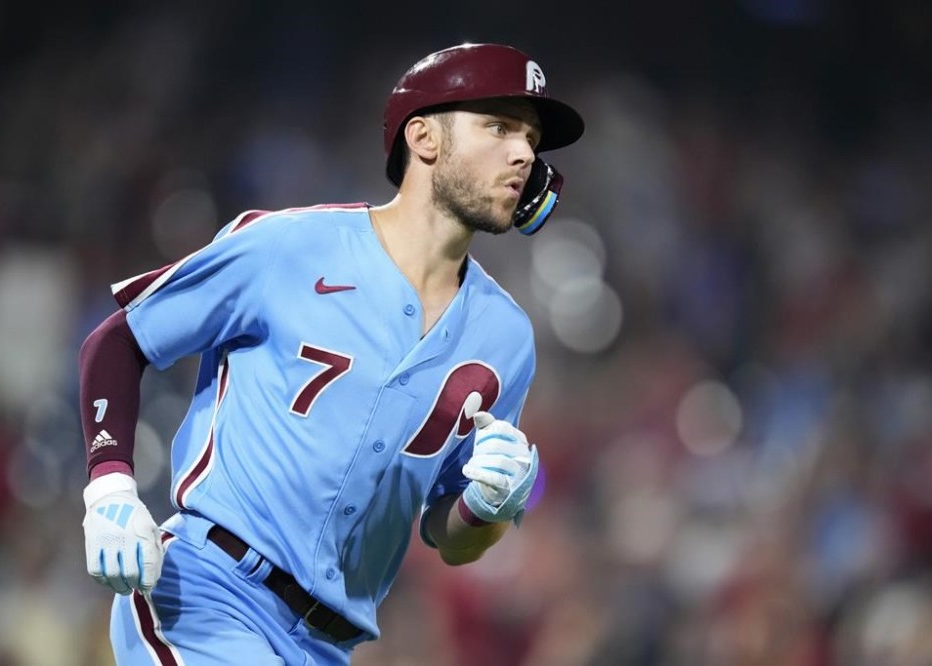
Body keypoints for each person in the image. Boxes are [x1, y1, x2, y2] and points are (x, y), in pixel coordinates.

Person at [78, 42, 584, 665]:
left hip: (327, 647)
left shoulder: (506, 338)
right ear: (424, 138)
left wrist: (486, 510)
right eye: (500, 127)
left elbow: (447, 536)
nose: (525, 153)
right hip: (207, 595)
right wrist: (109, 484)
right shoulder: (291, 246)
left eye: (531, 138)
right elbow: (120, 338)